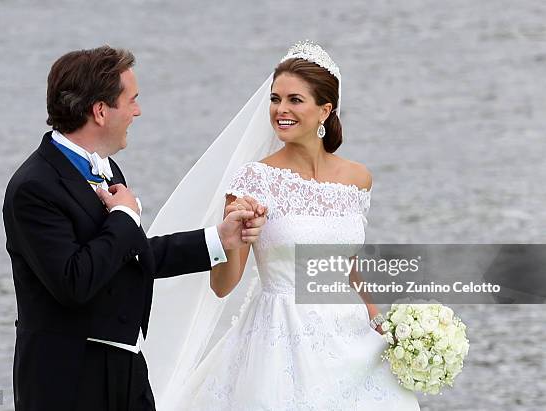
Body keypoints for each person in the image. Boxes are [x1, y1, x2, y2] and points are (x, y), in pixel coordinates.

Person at [144, 41, 420, 410]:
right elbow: (223, 286)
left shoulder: (358, 178)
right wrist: (233, 233)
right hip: (281, 341)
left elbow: (343, 262)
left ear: (325, 110)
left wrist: (374, 315)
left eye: (294, 100)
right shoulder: (253, 181)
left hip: (352, 336)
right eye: (276, 99)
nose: (281, 110)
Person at [2, 45, 266, 411]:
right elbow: (74, 281)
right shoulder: (33, 187)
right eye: (132, 100)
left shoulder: (106, 169)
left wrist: (218, 239)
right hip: (66, 382)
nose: (137, 111)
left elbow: (130, 256)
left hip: (126, 374)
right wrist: (123, 217)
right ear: (99, 111)